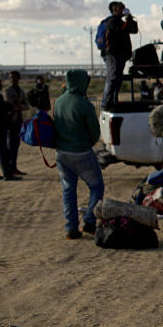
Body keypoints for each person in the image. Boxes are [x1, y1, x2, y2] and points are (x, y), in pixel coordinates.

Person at [53, 69, 105, 239]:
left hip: (61, 153)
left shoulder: (59, 102)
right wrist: (87, 144)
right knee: (96, 187)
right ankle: (89, 222)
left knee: (68, 190)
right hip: (82, 152)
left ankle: (70, 228)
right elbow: (95, 132)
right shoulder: (85, 105)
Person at [102, 3, 138, 109]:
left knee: (118, 78)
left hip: (121, 54)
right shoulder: (112, 21)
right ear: (115, 10)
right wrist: (127, 21)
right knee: (112, 77)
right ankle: (107, 102)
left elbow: (134, 30)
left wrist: (130, 19)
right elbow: (120, 30)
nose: (123, 10)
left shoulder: (122, 22)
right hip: (112, 54)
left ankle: (114, 100)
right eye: (121, 9)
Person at [4, 70, 30, 177]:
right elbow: (8, 104)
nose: (12, 79)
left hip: (19, 121)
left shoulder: (21, 91)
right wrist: (17, 107)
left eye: (14, 77)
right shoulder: (7, 91)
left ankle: (13, 167)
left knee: (15, 145)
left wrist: (20, 107)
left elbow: (26, 106)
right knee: (10, 145)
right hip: (10, 121)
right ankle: (8, 168)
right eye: (10, 77)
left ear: (18, 78)